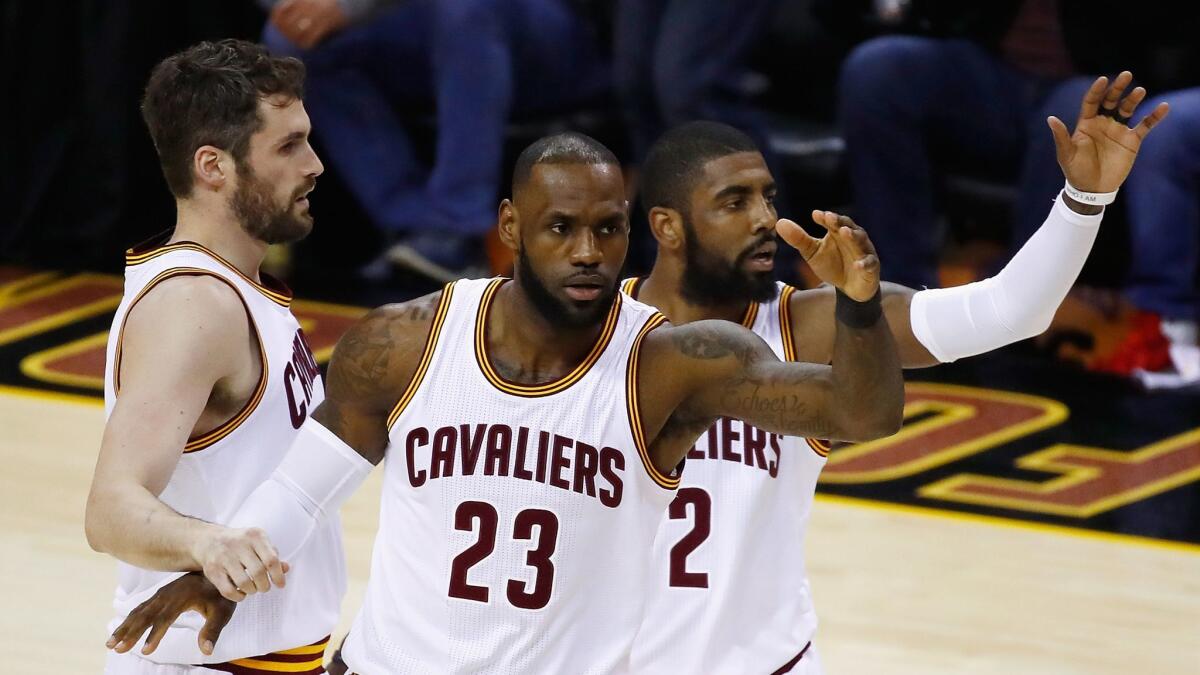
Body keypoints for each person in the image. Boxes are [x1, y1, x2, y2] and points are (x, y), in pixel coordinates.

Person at [105, 131, 905, 672]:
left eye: (608, 227)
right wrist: (219, 567)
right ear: (511, 226)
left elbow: (861, 415)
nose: (588, 252)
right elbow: (303, 487)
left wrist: (861, 307)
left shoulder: (678, 362)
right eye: (561, 227)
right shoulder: (406, 340)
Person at [624, 74, 1167, 673]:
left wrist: (1083, 202)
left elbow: (1009, 312)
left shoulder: (814, 326)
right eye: (735, 202)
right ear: (667, 227)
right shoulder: (591, 332)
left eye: (768, 197)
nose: (765, 220)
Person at [83, 39, 344, 674]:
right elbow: (110, 508)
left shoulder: (234, 292)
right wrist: (205, 542)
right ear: (213, 166)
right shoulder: (195, 306)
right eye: (287, 146)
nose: (313, 164)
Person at [259, 0, 610, 278]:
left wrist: (348, 6)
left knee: (464, 9)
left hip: (541, 31)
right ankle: (412, 221)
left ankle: (457, 228)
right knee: (290, 41)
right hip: (410, 24)